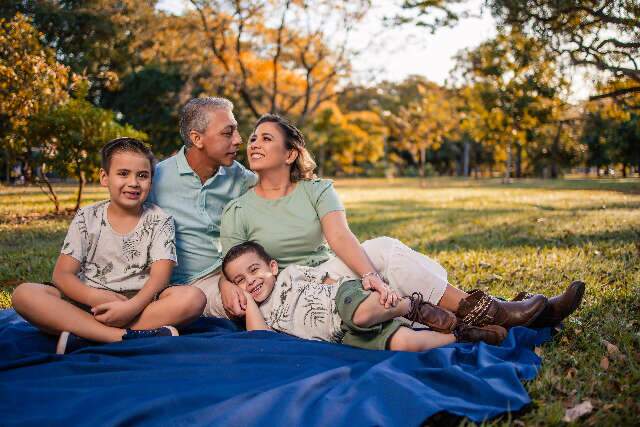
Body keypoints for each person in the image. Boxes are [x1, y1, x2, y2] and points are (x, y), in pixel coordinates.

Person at [218, 114, 586, 331]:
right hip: (287, 294)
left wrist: (370, 275)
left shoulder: (316, 190)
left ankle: (492, 312)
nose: (252, 143)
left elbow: (341, 237)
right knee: (389, 264)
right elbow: (229, 269)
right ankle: (494, 313)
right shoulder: (238, 209)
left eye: (266, 138)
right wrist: (229, 291)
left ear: (291, 152)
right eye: (251, 138)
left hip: (330, 274)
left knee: (389, 257)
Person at [11, 137, 206, 354]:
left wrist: (130, 307)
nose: (133, 182)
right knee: (24, 294)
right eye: (123, 173)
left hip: (140, 305)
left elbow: (160, 277)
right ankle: (120, 337)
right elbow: (63, 275)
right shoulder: (87, 217)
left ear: (151, 181)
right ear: (105, 177)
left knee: (193, 299)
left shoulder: (160, 220)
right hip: (87, 302)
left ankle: (84, 335)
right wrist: (95, 297)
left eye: (142, 176)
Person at [222, 241, 508, 351]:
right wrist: (247, 303)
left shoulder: (290, 273)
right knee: (404, 344)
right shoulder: (263, 314)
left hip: (341, 300)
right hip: (339, 335)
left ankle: (411, 306)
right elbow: (258, 337)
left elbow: (329, 279)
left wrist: (360, 286)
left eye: (254, 270)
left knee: (361, 312)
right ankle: (466, 335)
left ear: (272, 267)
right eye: (241, 280)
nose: (251, 281)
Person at [148, 97, 258, 317]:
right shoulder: (155, 179)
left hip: (231, 272)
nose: (238, 140)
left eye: (236, 131)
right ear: (197, 138)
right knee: (248, 305)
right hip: (185, 285)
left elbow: (276, 188)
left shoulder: (239, 176)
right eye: (227, 133)